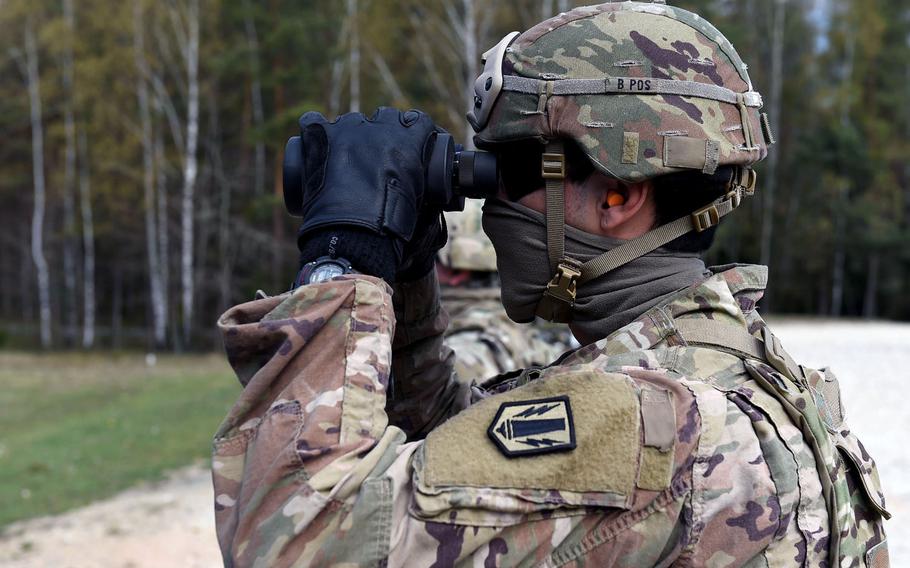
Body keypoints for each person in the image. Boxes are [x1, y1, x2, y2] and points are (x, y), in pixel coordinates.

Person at [212, 3, 890, 566]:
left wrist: (345, 257)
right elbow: (460, 466)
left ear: (618, 197)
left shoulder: (652, 422)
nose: (491, 203)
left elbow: (297, 542)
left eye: (510, 171)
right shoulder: (730, 368)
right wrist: (408, 274)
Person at [438, 199, 575, 384]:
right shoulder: (508, 328)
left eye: (432, 257)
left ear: (457, 272)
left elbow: (429, 397)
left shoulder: (473, 346)